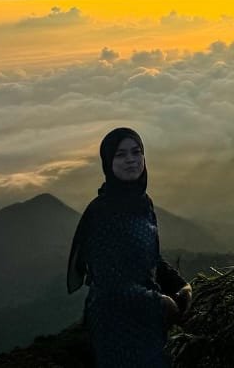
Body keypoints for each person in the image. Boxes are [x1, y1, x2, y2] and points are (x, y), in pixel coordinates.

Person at [67, 126, 193, 367]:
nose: (131, 160)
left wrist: (180, 285)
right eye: (121, 154)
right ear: (108, 163)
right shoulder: (101, 213)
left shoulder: (143, 203)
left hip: (149, 321)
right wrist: (161, 302)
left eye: (136, 152)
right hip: (115, 326)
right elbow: (107, 283)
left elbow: (151, 259)